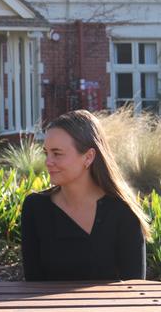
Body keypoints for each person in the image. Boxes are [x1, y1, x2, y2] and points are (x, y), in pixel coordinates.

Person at [21, 110, 150, 281]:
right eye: (47, 153)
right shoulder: (35, 208)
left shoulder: (122, 211)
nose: (48, 161)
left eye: (57, 153)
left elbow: (134, 288)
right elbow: (32, 282)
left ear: (88, 157)